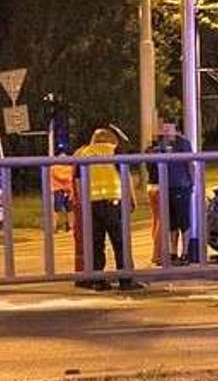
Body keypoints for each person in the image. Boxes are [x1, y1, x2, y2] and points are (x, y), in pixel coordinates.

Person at [73, 127, 144, 291]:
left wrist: (83, 202)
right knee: (120, 243)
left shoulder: (83, 154)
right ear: (111, 140)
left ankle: (98, 280)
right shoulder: (114, 152)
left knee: (96, 243)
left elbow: (78, 181)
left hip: (92, 203)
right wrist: (132, 199)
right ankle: (126, 280)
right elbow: (124, 176)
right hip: (113, 202)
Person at [145, 120, 194, 266]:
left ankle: (185, 253)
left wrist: (192, 183)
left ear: (175, 129)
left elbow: (190, 164)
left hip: (181, 186)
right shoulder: (160, 145)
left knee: (183, 222)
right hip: (166, 188)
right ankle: (173, 253)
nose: (165, 132)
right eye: (163, 129)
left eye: (168, 129)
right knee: (171, 223)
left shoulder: (183, 143)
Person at [49, 149, 74, 233]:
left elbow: (71, 178)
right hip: (58, 190)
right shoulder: (54, 167)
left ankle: (70, 227)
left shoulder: (70, 167)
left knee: (70, 209)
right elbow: (62, 177)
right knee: (57, 209)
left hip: (69, 190)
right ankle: (53, 227)